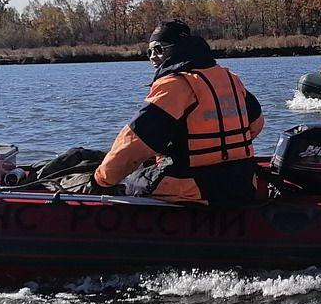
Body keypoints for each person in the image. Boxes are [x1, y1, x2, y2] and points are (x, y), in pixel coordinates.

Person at [84, 20, 264, 205]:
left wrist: (100, 181)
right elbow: (256, 125)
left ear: (177, 49)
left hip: (197, 188)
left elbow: (135, 142)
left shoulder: (176, 84)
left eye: (159, 49)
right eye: (149, 52)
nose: (153, 57)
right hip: (243, 182)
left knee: (128, 181)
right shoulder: (230, 78)